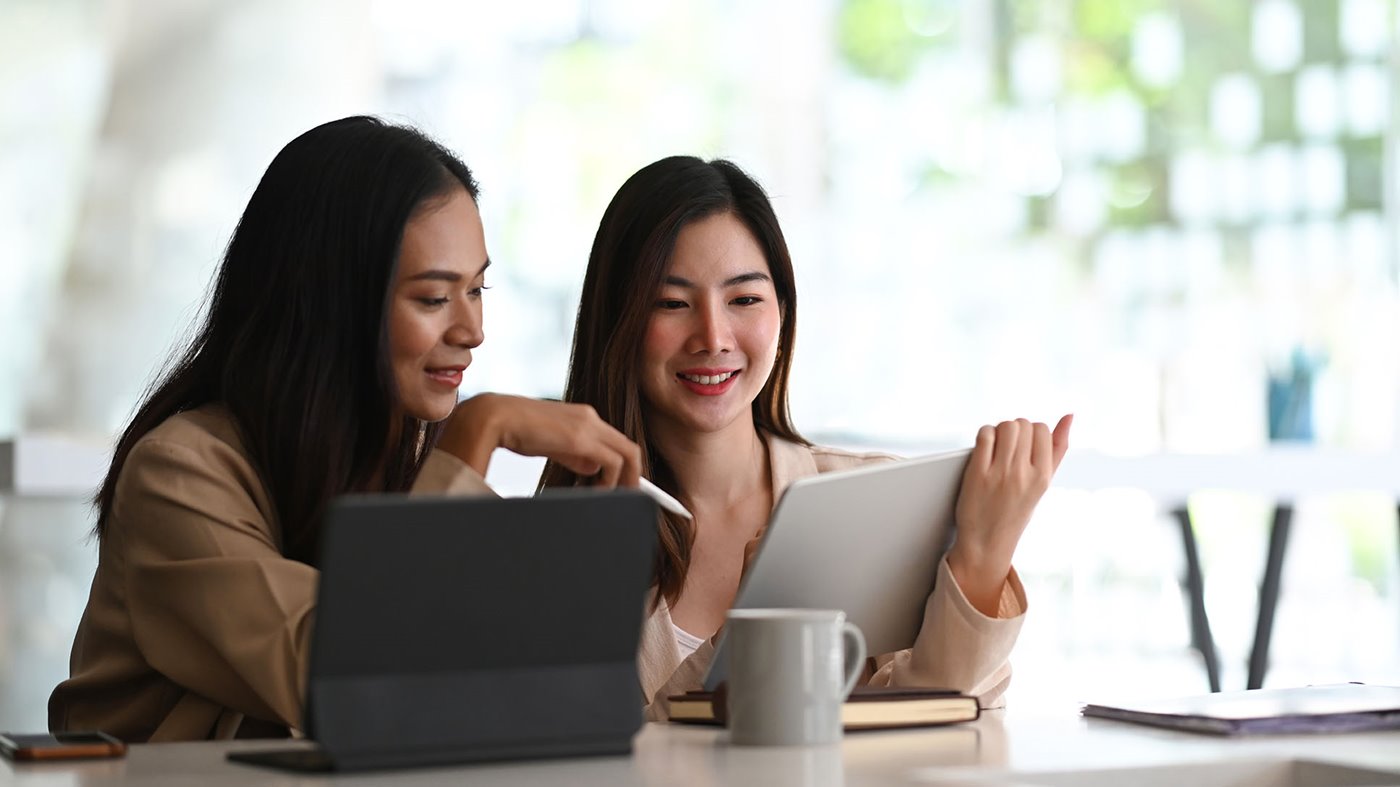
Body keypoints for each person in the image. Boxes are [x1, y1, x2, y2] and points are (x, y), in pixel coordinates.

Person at [49, 116, 642, 742]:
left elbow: (519, 669)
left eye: (477, 288)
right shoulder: (179, 471)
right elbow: (355, 683)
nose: (473, 331)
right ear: (331, 304)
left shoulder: (404, 450)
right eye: (434, 298)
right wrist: (478, 430)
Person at [541, 156, 1071, 719]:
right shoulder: (560, 546)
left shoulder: (870, 497)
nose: (714, 337)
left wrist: (982, 560)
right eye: (672, 303)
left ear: (783, 312)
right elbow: (604, 755)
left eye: (744, 299)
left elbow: (946, 721)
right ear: (617, 317)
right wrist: (759, 633)